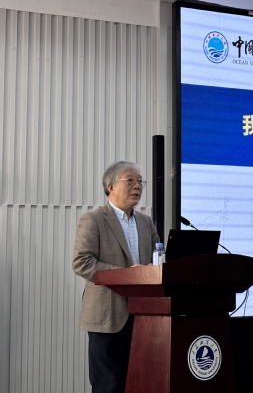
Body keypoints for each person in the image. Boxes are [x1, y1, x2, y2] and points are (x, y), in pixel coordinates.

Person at [72, 161, 160, 393]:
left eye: (140, 182)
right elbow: (82, 262)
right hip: (107, 315)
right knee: (108, 385)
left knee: (139, 382)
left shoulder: (146, 222)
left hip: (143, 316)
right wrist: (126, 275)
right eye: (130, 181)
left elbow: (157, 259)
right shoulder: (94, 219)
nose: (137, 186)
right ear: (110, 186)